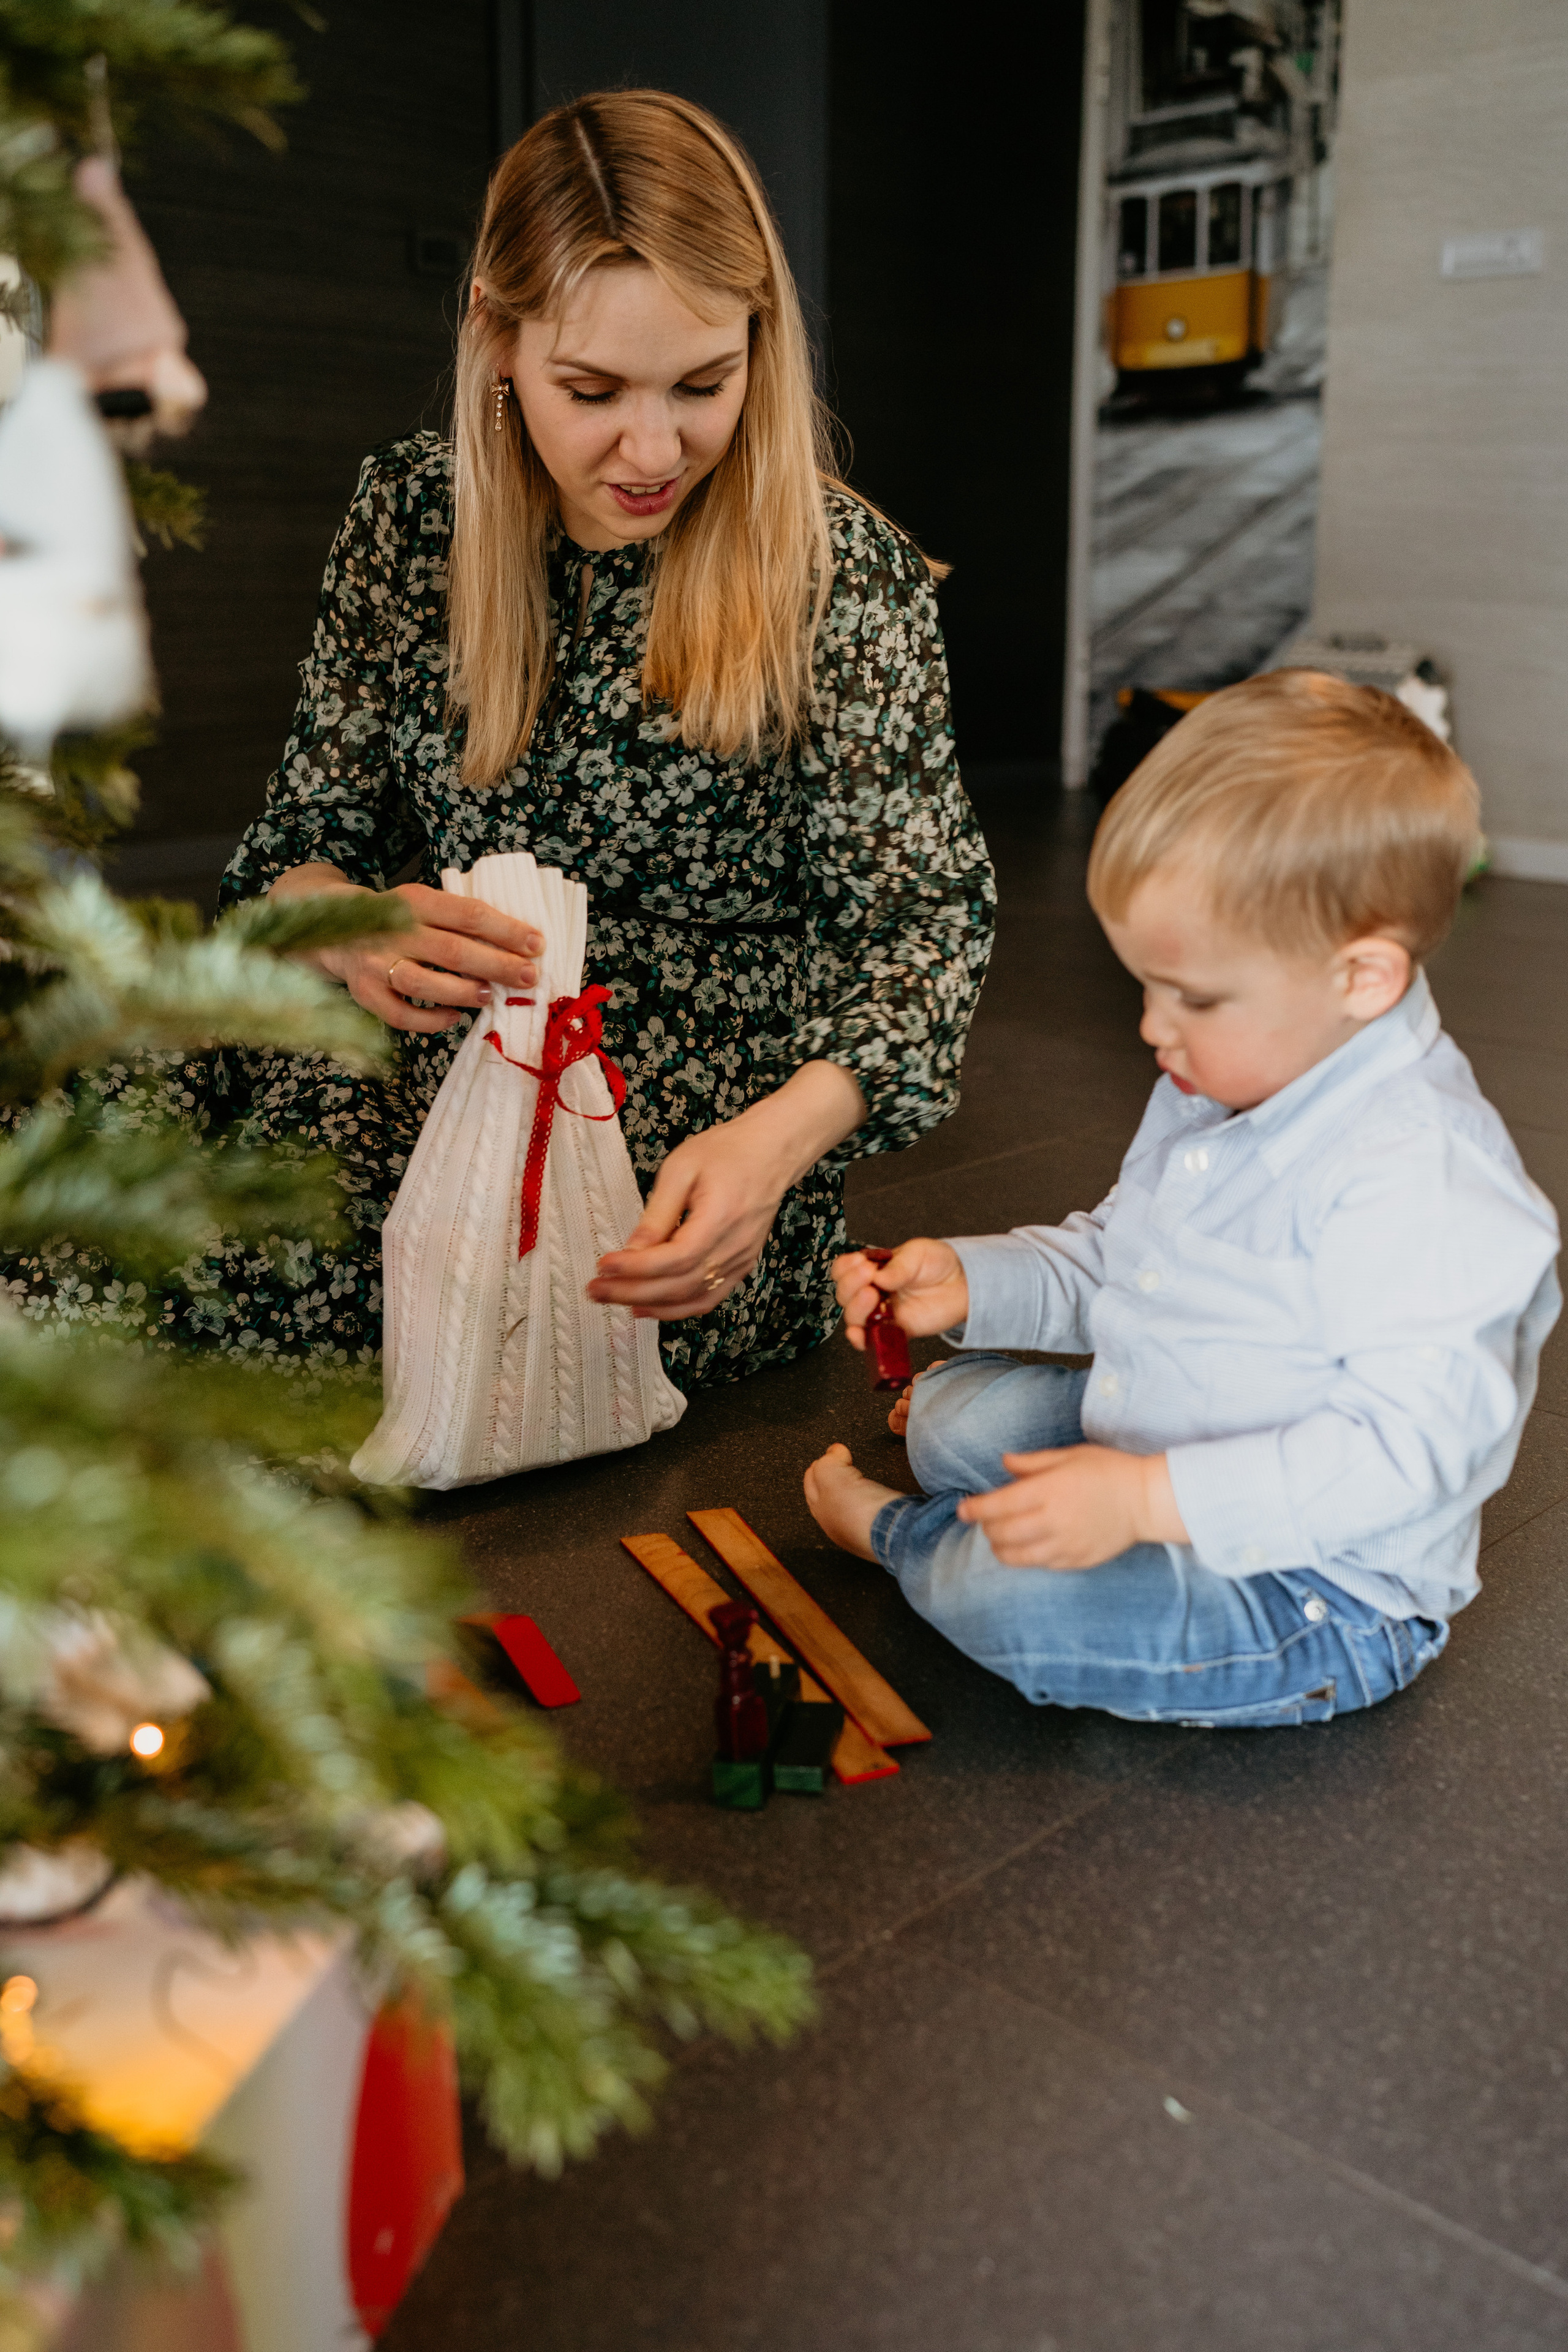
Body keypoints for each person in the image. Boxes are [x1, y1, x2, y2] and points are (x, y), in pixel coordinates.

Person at [4, 91, 994, 1389]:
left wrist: (772, 1151)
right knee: (90, 1136)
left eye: (704, 384)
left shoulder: (837, 575)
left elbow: (923, 934)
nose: (653, 449)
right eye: (591, 390)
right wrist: (343, 918)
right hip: (432, 1022)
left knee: (272, 1280)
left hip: (671, 1118)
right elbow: (299, 847)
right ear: (497, 338)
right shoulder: (410, 516)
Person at [806, 671, 1561, 1727]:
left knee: (1004, 1593)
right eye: (1145, 988)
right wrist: (976, 1279)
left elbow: (1406, 1456)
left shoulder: (1424, 1181)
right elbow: (1128, 1260)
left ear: (1363, 978)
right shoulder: (1235, 1068)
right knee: (949, 1415)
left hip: (1313, 1594)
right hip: (1180, 1432)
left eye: (1194, 997)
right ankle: (1016, 1509)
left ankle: (904, 1540)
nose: (1155, 1030)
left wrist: (1143, 1504)